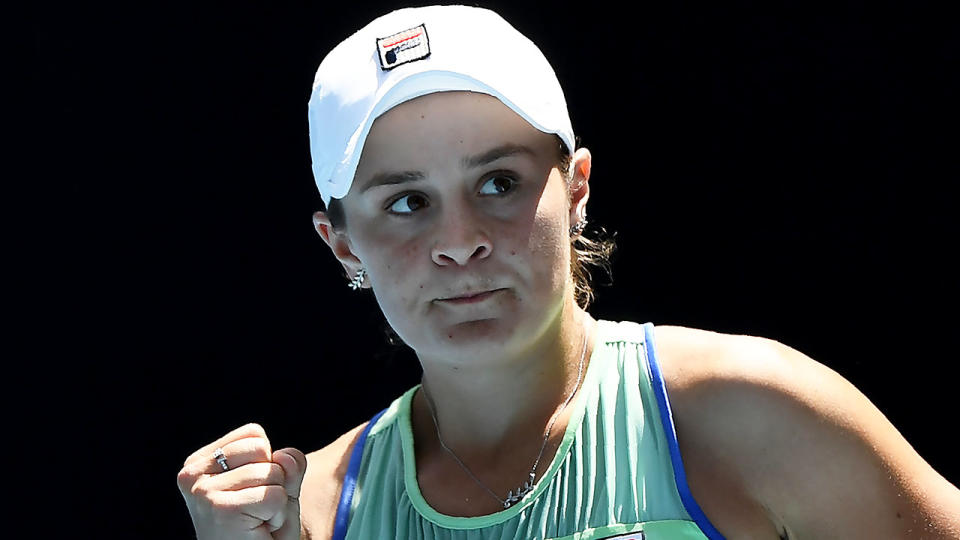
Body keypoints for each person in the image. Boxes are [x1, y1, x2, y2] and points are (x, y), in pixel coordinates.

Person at [176, 5, 960, 539]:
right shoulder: (307, 513)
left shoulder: (753, 412)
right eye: (408, 202)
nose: (461, 242)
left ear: (576, 189)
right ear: (342, 245)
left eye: (498, 183)